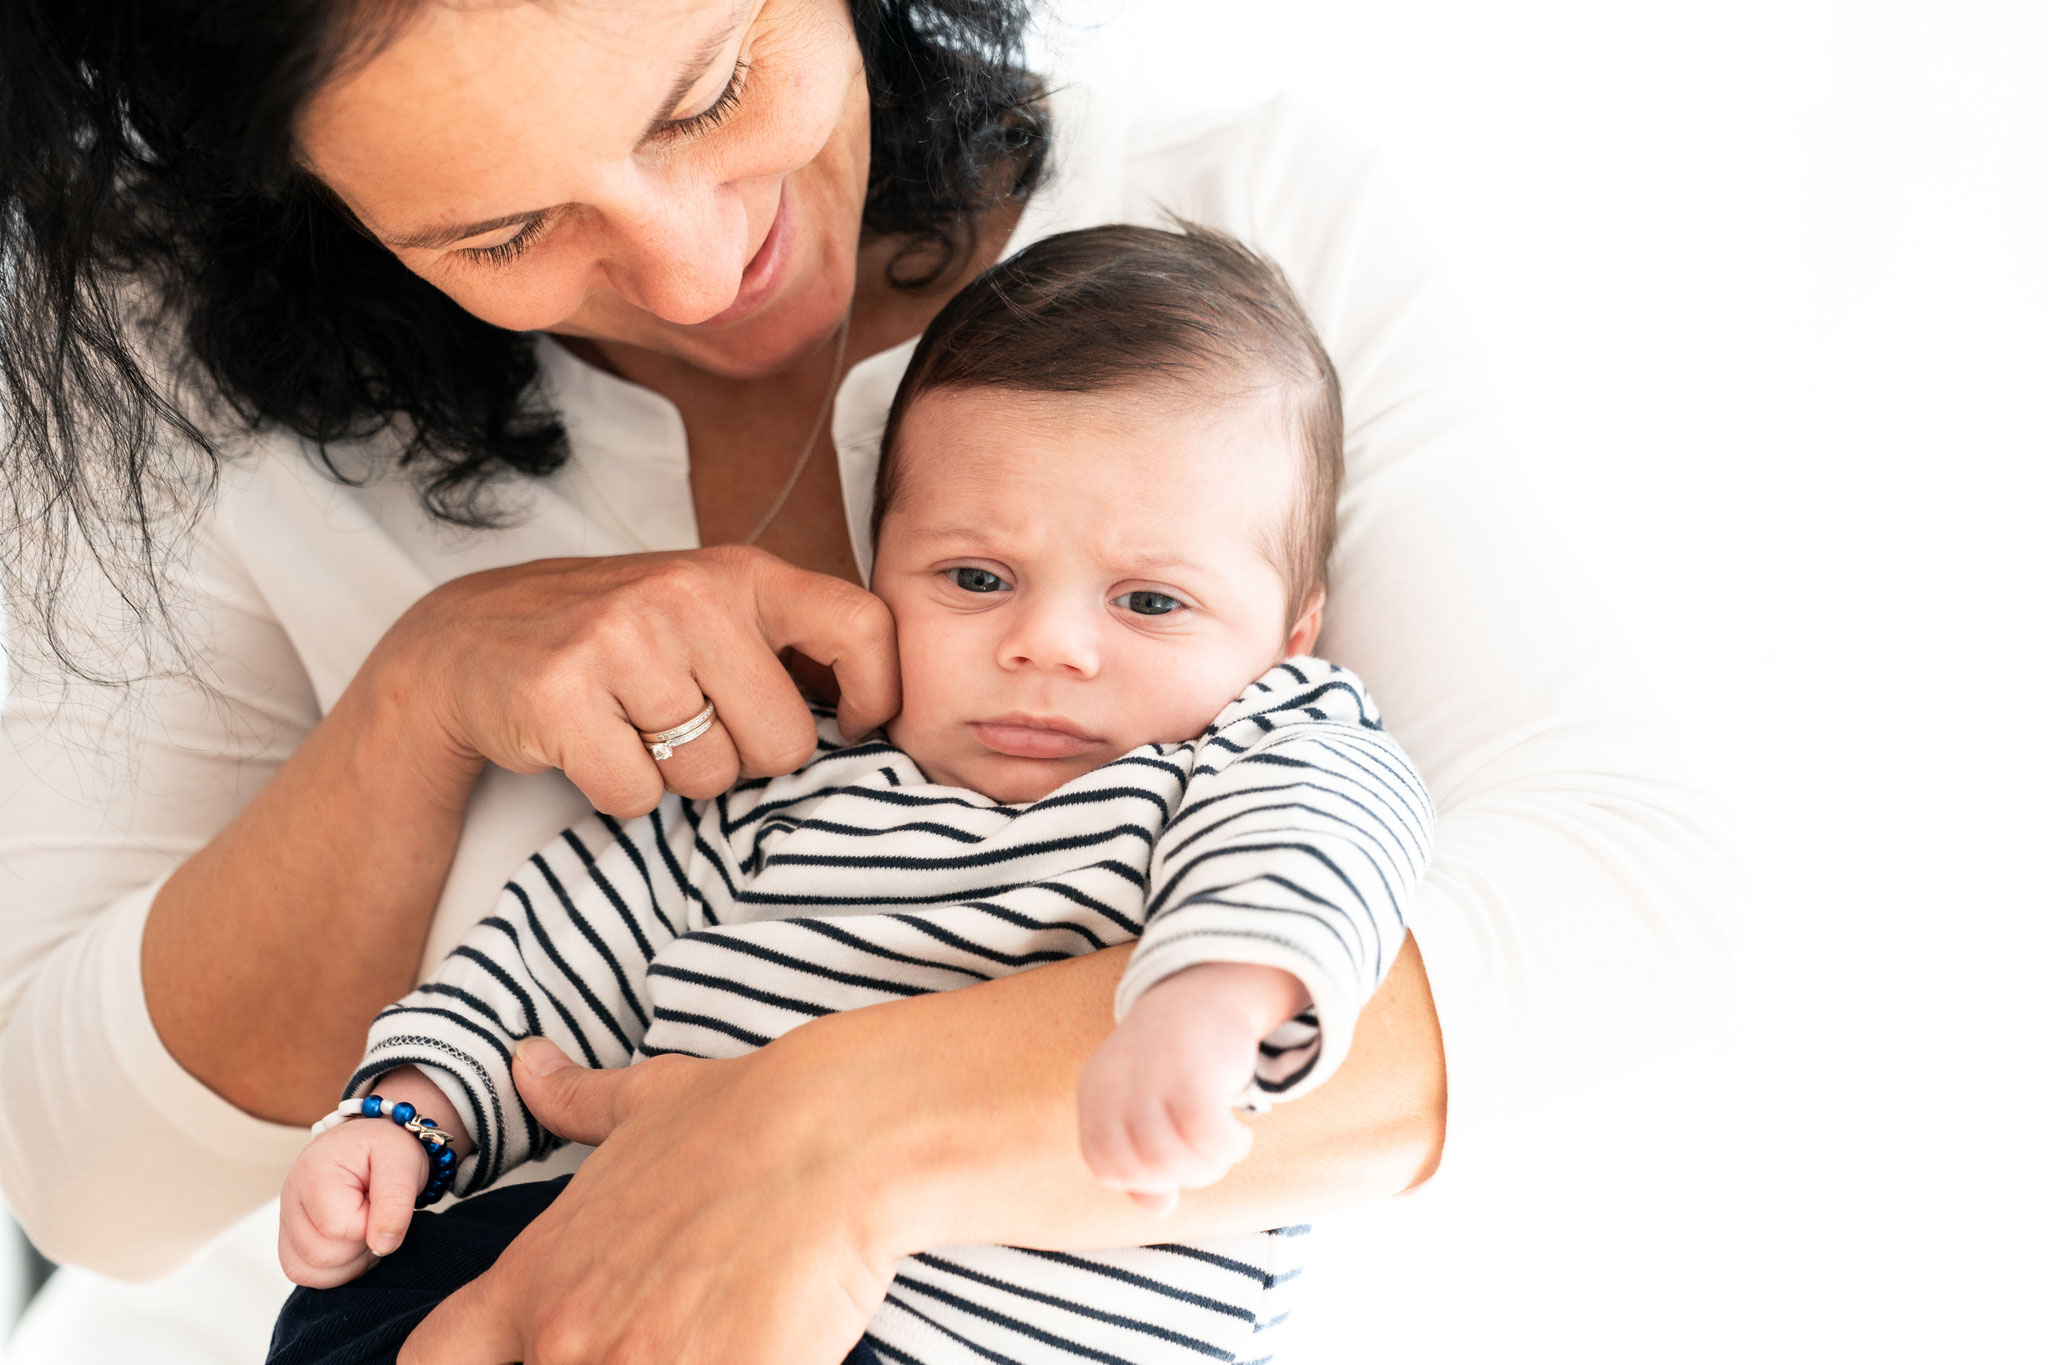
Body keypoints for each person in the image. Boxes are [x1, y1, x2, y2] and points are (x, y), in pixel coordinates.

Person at [0, 1, 1735, 1361]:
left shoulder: (1255, 247)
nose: (694, 271)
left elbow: (1625, 902)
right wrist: (417, 702)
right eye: (503, 228)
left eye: (707, 94)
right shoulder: (168, 378)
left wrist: (828, 1137)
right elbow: (89, 1182)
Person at [268, 222, 1436, 1365]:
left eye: (1147, 603)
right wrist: (409, 1114)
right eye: (975, 578)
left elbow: (1323, 845)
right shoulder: (790, 783)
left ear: (1289, 641)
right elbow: (552, 953)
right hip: (647, 1252)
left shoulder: (1250, 751)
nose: (1045, 644)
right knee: (362, 1304)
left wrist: (1210, 1006)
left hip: (963, 1333)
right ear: (879, 575)